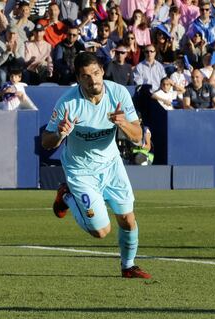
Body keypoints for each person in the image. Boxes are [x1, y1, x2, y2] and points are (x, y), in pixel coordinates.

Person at [41, 52, 151, 279]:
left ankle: (128, 267)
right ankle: (67, 196)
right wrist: (60, 134)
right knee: (101, 231)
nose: (93, 80)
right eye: (86, 76)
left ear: (102, 71)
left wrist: (123, 124)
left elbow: (137, 135)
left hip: (111, 166)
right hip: (81, 171)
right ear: (78, 79)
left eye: (96, 73)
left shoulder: (118, 93)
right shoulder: (67, 103)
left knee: (128, 220)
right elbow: (46, 141)